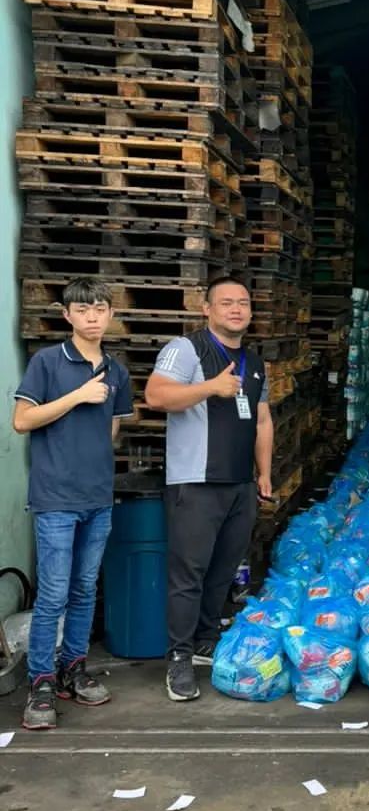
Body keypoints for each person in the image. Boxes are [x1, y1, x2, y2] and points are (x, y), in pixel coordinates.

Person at [145, 275, 274, 702]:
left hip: (239, 483)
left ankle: (203, 640)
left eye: (243, 303)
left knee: (223, 571)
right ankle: (179, 658)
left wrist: (264, 474)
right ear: (207, 308)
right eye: (226, 302)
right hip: (196, 482)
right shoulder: (187, 349)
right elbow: (157, 396)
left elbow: (262, 420)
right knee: (189, 574)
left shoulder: (254, 362)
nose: (236, 309)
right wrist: (210, 388)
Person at [13, 277, 133, 730]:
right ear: (67, 316)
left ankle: (72, 668)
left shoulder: (117, 371)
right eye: (82, 310)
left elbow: (112, 429)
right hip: (56, 498)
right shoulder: (48, 362)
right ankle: (41, 681)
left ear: (110, 315)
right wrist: (78, 396)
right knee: (54, 593)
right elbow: (22, 420)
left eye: (100, 309)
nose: (92, 317)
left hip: (97, 496)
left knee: (85, 589)